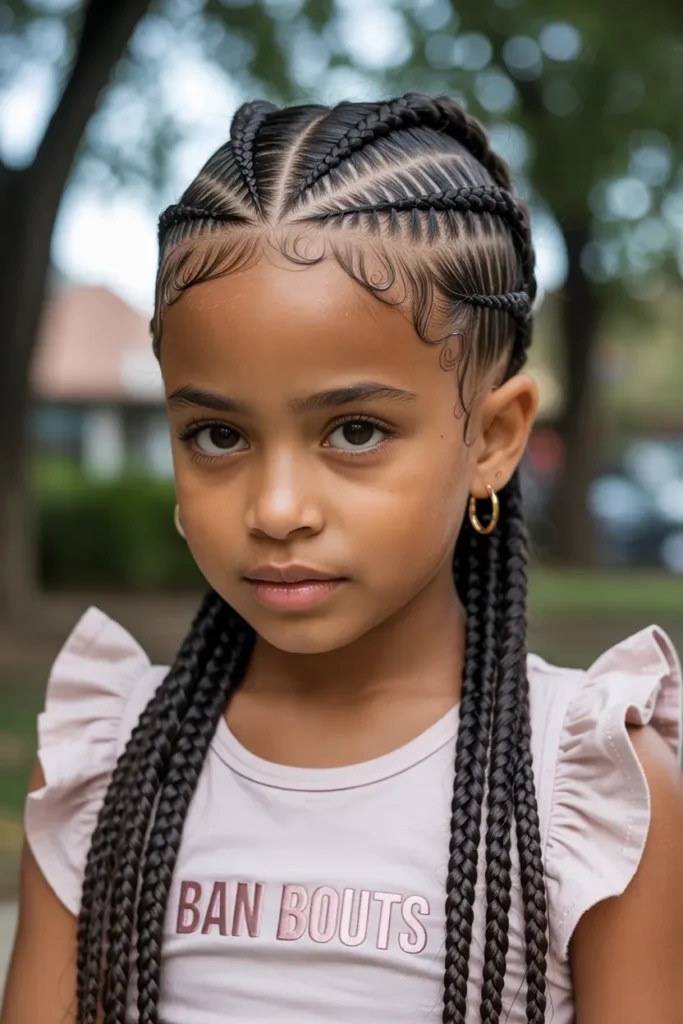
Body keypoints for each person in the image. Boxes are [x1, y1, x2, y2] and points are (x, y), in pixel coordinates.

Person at [2, 93, 683, 1024]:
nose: (277, 509)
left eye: (354, 430)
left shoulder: (585, 783)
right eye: (215, 435)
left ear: (492, 436)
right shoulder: (108, 763)